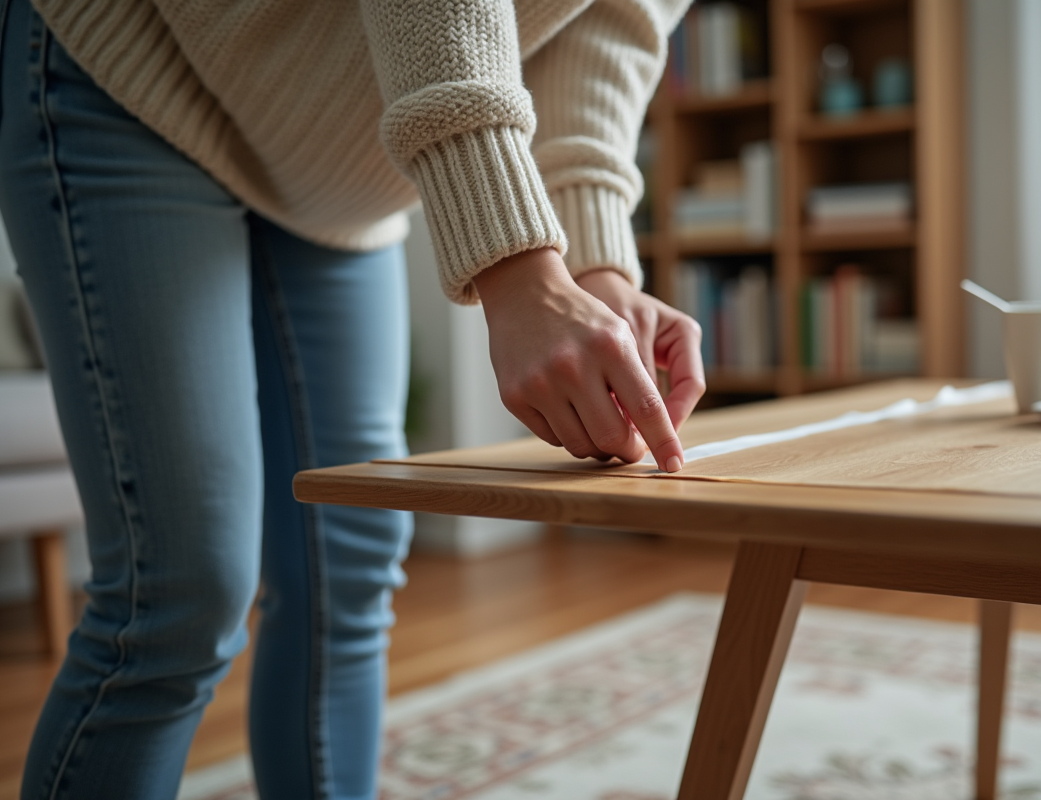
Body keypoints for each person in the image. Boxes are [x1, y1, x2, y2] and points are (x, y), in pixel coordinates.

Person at [0, 0, 704, 797]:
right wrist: (514, 262)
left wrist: (596, 271)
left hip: (335, 159)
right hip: (135, 68)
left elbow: (612, 21)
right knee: (178, 596)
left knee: (351, 564)